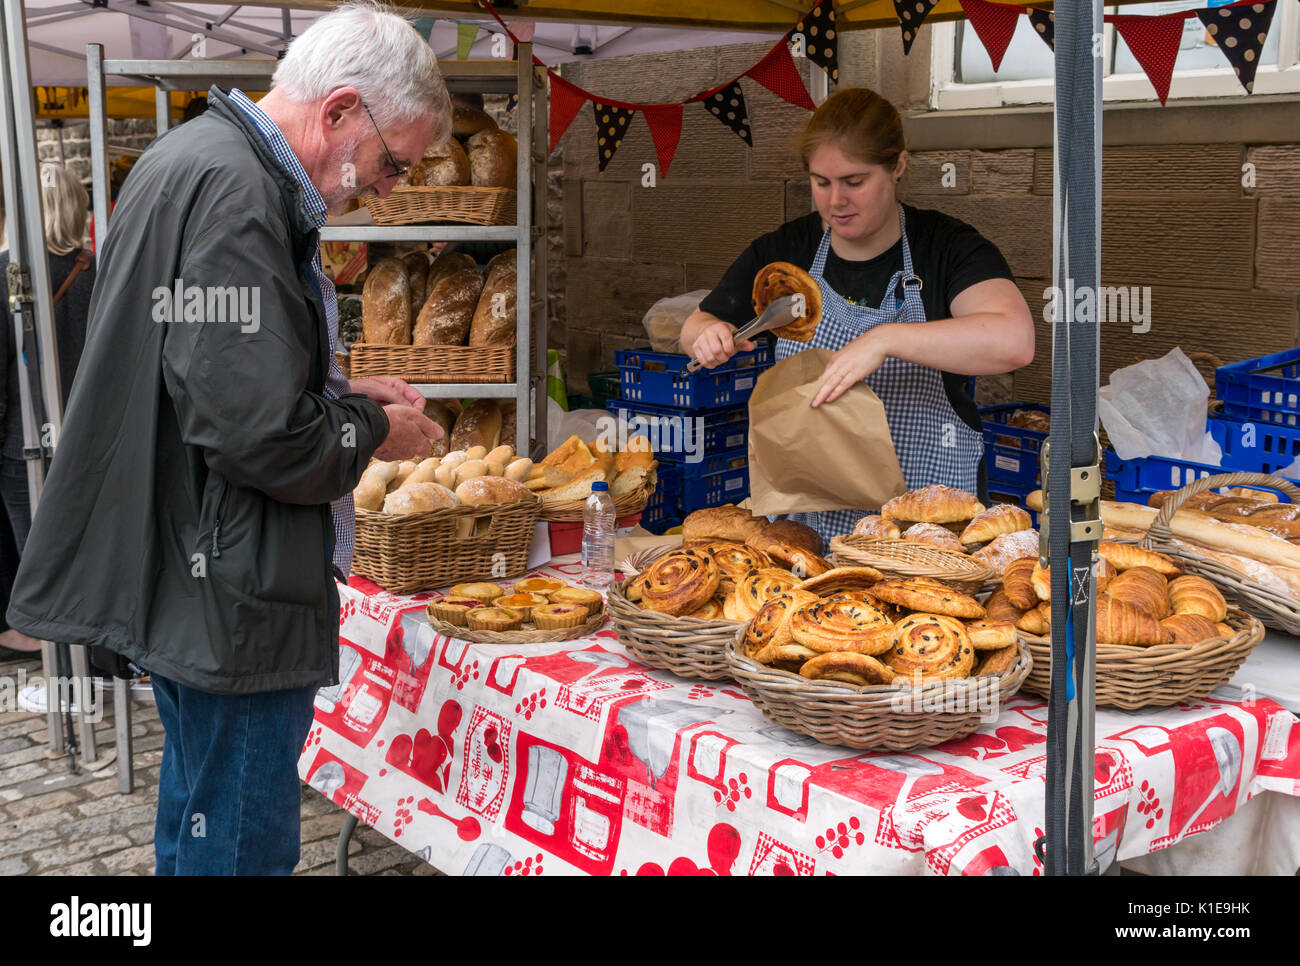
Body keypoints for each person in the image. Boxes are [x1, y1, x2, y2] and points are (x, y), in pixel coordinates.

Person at [6, 1, 449, 875]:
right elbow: (262, 439)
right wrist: (373, 427)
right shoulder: (240, 195)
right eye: (394, 163)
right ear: (339, 111)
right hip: (231, 586)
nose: (391, 188)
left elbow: (199, 370)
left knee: (202, 816)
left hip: (192, 565)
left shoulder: (193, 158)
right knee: (237, 841)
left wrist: (334, 387)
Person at [681, 87, 1035, 546]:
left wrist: (886, 339)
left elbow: (1014, 341)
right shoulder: (787, 253)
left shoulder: (945, 247)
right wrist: (708, 334)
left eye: (854, 181)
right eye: (821, 182)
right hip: (810, 519)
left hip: (927, 527)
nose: (835, 202)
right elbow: (697, 323)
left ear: (898, 166)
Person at [0, 163, 95, 660]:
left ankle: (48, 645)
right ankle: (86, 638)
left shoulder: (7, 271)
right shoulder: (96, 271)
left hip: (21, 441)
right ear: (77, 208)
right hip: (89, 439)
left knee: (33, 552)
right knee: (84, 545)